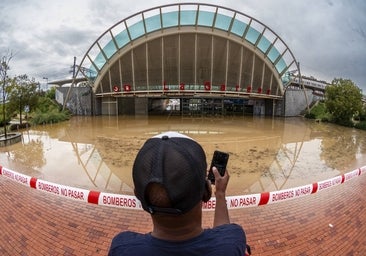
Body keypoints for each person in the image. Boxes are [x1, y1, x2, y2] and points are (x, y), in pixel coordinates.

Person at [109, 131, 246, 255]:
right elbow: (223, 235)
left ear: (138, 196)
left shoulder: (122, 248)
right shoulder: (232, 243)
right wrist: (220, 193)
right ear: (206, 192)